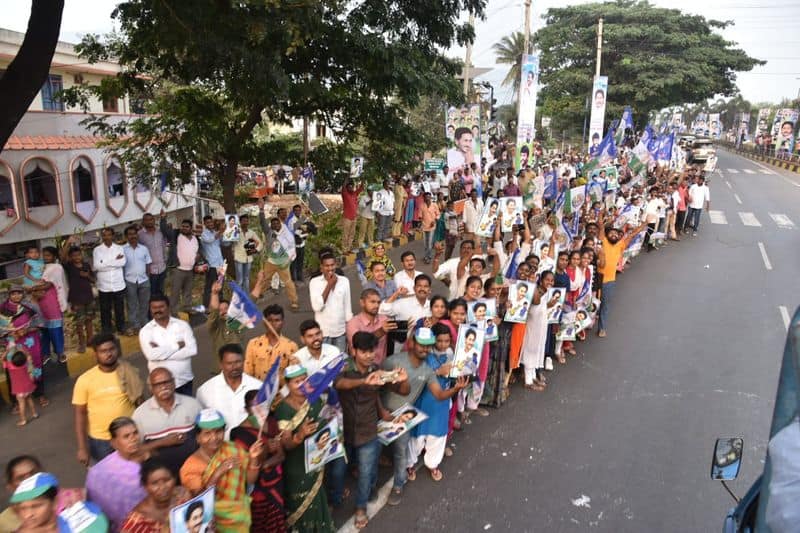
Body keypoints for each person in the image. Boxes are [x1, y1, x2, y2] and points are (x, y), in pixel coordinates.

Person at [331, 332, 407, 530]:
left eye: (372, 351)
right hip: (343, 431)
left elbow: (379, 393)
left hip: (368, 430)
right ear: (353, 351)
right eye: (364, 351)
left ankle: (360, 508)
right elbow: (339, 384)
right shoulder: (344, 367)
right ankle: (335, 500)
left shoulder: (377, 369)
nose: (369, 355)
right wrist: (364, 381)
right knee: (338, 471)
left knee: (366, 472)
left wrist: (383, 409)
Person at [382, 327, 464, 504]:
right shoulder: (393, 361)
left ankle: (398, 484)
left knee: (401, 451)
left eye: (428, 345)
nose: (425, 349)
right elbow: (378, 386)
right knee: (380, 452)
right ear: (412, 343)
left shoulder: (429, 368)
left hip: (409, 414)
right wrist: (381, 410)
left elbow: (439, 394)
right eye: (421, 345)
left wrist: (456, 388)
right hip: (384, 414)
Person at [179, 409, 263, 532]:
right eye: (207, 433)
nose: (214, 438)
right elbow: (199, 501)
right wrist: (218, 472)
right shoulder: (191, 467)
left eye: (218, 432)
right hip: (211, 524)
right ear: (198, 437)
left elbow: (250, 480)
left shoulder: (233, 449)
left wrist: (254, 459)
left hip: (239, 518)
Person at [274, 366, 335, 532]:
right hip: (297, 466)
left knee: (317, 499)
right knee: (301, 505)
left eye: (304, 380)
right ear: (287, 385)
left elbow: (325, 419)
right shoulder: (282, 409)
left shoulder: (314, 400)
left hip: (316, 459)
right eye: (296, 382)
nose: (302, 384)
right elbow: (286, 444)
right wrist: (300, 435)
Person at [406, 326, 468, 484]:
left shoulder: (452, 355)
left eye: (446, 341)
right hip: (423, 400)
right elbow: (415, 376)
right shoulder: (424, 355)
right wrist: (438, 372)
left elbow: (456, 376)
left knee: (438, 435)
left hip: (441, 403)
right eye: (439, 341)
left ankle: (432, 464)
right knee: (416, 435)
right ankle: (410, 464)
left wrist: (459, 380)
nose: (442, 344)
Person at [73, 333, 143, 465]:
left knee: (134, 471)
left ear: (117, 349)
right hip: (101, 441)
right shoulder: (85, 380)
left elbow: (140, 402)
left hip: (129, 435)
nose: (109, 354)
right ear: (96, 354)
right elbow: (80, 414)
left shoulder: (128, 372)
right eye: (103, 351)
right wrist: (82, 447)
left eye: (112, 349)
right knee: (109, 477)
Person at [230, 390, 287, 533]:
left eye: (262, 406)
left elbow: (281, 456)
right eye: (255, 407)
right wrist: (266, 451)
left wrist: (266, 463)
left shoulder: (271, 423)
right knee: (259, 525)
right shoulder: (240, 433)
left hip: (275, 482)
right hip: (257, 490)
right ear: (246, 410)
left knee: (277, 522)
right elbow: (246, 468)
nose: (260, 411)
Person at [132, 368, 201, 476]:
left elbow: (205, 435)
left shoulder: (192, 404)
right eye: (158, 384)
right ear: (151, 388)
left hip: (194, 471)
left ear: (173, 383)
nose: (163, 387)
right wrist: (163, 442)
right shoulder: (140, 414)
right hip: (163, 479)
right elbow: (135, 450)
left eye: (166, 382)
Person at [86, 417, 150, 531]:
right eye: (126, 436)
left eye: (135, 433)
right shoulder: (99, 471)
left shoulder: (150, 458)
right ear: (114, 443)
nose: (133, 439)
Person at [597, 216, 647, 338]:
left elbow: (632, 235)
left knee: (605, 305)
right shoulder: (602, 241)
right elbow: (601, 228)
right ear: (607, 235)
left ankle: (601, 328)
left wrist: (644, 224)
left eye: (616, 234)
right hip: (596, 279)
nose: (614, 235)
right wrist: (601, 218)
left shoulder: (620, 245)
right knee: (593, 305)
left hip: (609, 281)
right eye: (611, 233)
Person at [196, 343, 261, 436]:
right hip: (219, 447)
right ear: (221, 365)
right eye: (229, 363)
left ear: (244, 362)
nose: (234, 367)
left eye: (238, 362)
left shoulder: (258, 386)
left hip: (252, 444)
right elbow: (201, 424)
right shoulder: (204, 391)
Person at [9, 472, 107, 533]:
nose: (28, 515)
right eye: (23, 508)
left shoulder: (86, 518)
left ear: (55, 502)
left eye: (36, 506)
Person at [139, 295, 198, 396]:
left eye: (161, 307)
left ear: (168, 307)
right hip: (160, 384)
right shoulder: (146, 331)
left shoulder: (182, 325)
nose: (157, 310)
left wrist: (161, 353)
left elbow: (192, 350)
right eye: (154, 308)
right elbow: (151, 355)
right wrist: (176, 346)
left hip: (184, 381)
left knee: (187, 411)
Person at [120, 457, 192, 533]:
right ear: (145, 486)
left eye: (166, 480)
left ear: (175, 479)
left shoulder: (182, 497)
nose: (162, 487)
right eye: (155, 483)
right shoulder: (136, 520)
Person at [257, 200, 300, 311]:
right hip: (271, 261)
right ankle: (258, 295)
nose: (275, 225)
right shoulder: (269, 232)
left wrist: (288, 259)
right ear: (271, 225)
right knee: (265, 279)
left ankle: (294, 302)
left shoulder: (286, 233)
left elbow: (291, 246)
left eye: (277, 223)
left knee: (288, 282)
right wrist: (261, 210)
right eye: (273, 224)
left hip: (283, 261)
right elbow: (262, 222)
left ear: (280, 224)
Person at [520, 271, 558, 391]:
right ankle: (528, 380)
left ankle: (532, 376)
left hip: (541, 328)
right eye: (547, 280)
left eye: (552, 281)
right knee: (530, 350)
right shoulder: (536, 291)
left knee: (537, 350)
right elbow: (535, 306)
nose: (549, 283)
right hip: (532, 327)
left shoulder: (547, 293)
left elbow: (542, 308)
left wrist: (549, 305)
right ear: (540, 280)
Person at [244, 303, 298, 383]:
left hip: (281, 394)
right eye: (270, 320)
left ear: (282, 322)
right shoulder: (253, 344)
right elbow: (247, 373)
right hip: (258, 392)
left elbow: (293, 377)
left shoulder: (291, 346)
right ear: (264, 322)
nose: (273, 324)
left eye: (277, 320)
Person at [309, 253, 352, 351]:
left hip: (340, 332)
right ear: (321, 267)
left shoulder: (344, 281)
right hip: (324, 333)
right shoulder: (314, 282)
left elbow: (347, 308)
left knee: (340, 362)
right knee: (325, 363)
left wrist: (349, 332)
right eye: (327, 266)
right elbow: (317, 307)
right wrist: (329, 285)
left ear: (336, 265)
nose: (330, 268)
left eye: (332, 265)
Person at [59, 239, 95, 353]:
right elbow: (62, 257)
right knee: (79, 322)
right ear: (71, 257)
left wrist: (87, 275)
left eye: (78, 254)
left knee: (89, 320)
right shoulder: (69, 266)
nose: (76, 257)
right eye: (73, 255)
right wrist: (68, 243)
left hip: (88, 297)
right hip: (77, 299)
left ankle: (90, 340)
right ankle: (82, 343)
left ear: (81, 255)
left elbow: (93, 280)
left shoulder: (86, 265)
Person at [345, 288, 394, 365]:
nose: (376, 305)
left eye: (378, 302)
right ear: (362, 303)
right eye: (372, 302)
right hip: (362, 368)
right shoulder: (353, 323)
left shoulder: (384, 319)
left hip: (383, 366)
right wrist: (381, 331)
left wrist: (403, 329)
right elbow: (361, 344)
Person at [93, 227, 127, 334]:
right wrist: (114, 261)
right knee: (105, 310)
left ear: (113, 236)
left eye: (109, 235)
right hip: (104, 285)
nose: (106, 237)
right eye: (104, 235)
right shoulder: (97, 250)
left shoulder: (119, 248)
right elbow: (97, 266)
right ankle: (107, 330)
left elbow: (122, 263)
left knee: (119, 309)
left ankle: (121, 327)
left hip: (118, 284)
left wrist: (105, 263)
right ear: (102, 237)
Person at [123, 225, 153, 335]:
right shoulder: (123, 250)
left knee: (144, 303)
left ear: (137, 235)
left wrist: (147, 277)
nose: (132, 236)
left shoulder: (144, 249)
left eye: (134, 234)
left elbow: (148, 264)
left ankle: (144, 324)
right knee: (132, 305)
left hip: (144, 280)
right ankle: (135, 325)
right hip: (130, 280)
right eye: (130, 234)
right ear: (126, 236)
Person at [165, 219, 200, 312]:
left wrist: (197, 256)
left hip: (190, 270)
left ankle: (187, 308)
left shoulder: (195, 238)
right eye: (183, 226)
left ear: (191, 228)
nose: (184, 228)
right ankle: (173, 312)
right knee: (175, 293)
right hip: (178, 270)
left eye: (187, 226)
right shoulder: (176, 236)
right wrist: (164, 220)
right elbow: (166, 232)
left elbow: (196, 251)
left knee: (187, 292)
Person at [137, 212, 168, 296]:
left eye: (151, 219)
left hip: (162, 268)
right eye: (146, 220)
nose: (149, 222)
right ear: (143, 222)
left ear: (154, 220)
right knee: (151, 293)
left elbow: (164, 246)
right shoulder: (139, 235)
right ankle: (151, 309)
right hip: (149, 271)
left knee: (161, 292)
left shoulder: (160, 232)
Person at [4, 349, 37, 427]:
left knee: (21, 404)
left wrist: (7, 351)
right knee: (29, 399)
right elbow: (28, 356)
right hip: (28, 388)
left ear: (12, 361)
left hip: (19, 391)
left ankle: (23, 420)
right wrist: (22, 350)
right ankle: (34, 414)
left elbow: (3, 359)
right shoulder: (25, 364)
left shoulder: (10, 367)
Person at [199, 215, 225, 309]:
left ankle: (220, 306)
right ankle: (207, 307)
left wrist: (226, 233)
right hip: (212, 265)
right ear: (205, 224)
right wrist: (220, 232)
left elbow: (221, 242)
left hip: (220, 264)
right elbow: (210, 240)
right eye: (208, 222)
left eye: (211, 222)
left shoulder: (215, 232)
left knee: (220, 285)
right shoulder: (204, 234)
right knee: (210, 287)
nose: (210, 224)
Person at [232, 214, 261, 291]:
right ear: (240, 222)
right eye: (243, 221)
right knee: (240, 280)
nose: (245, 222)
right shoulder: (236, 232)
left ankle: (246, 297)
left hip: (248, 258)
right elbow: (230, 242)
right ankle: (238, 298)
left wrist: (256, 250)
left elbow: (259, 242)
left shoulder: (251, 233)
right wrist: (234, 232)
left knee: (247, 279)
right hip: (239, 258)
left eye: (247, 221)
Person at [341, 176, 364, 253]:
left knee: (352, 234)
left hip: (354, 218)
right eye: (349, 187)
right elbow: (343, 187)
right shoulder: (345, 194)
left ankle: (349, 248)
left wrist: (363, 179)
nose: (351, 188)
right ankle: (344, 250)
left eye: (352, 187)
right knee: (345, 234)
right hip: (347, 218)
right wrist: (347, 178)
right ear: (347, 188)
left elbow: (361, 188)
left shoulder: (354, 194)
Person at [419, 193, 440, 263]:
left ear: (430, 197)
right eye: (426, 197)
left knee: (430, 243)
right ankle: (426, 255)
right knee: (425, 243)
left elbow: (438, 214)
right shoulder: (422, 205)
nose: (427, 198)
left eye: (429, 197)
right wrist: (420, 222)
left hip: (432, 227)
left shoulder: (434, 205)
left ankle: (428, 257)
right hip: (424, 226)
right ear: (424, 198)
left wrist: (434, 221)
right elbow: (420, 216)